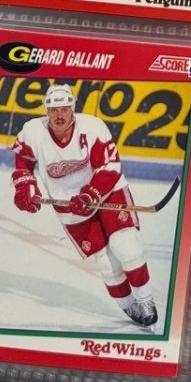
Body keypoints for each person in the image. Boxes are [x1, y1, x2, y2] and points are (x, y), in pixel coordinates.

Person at [11, 84, 157, 329]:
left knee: (125, 246)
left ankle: (146, 300)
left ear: (73, 109)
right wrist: (25, 185)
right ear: (46, 111)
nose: (59, 115)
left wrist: (91, 194)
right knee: (107, 264)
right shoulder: (32, 132)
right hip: (68, 203)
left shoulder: (92, 127)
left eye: (64, 109)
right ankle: (129, 305)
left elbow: (110, 167)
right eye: (53, 109)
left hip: (107, 193)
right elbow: (23, 161)